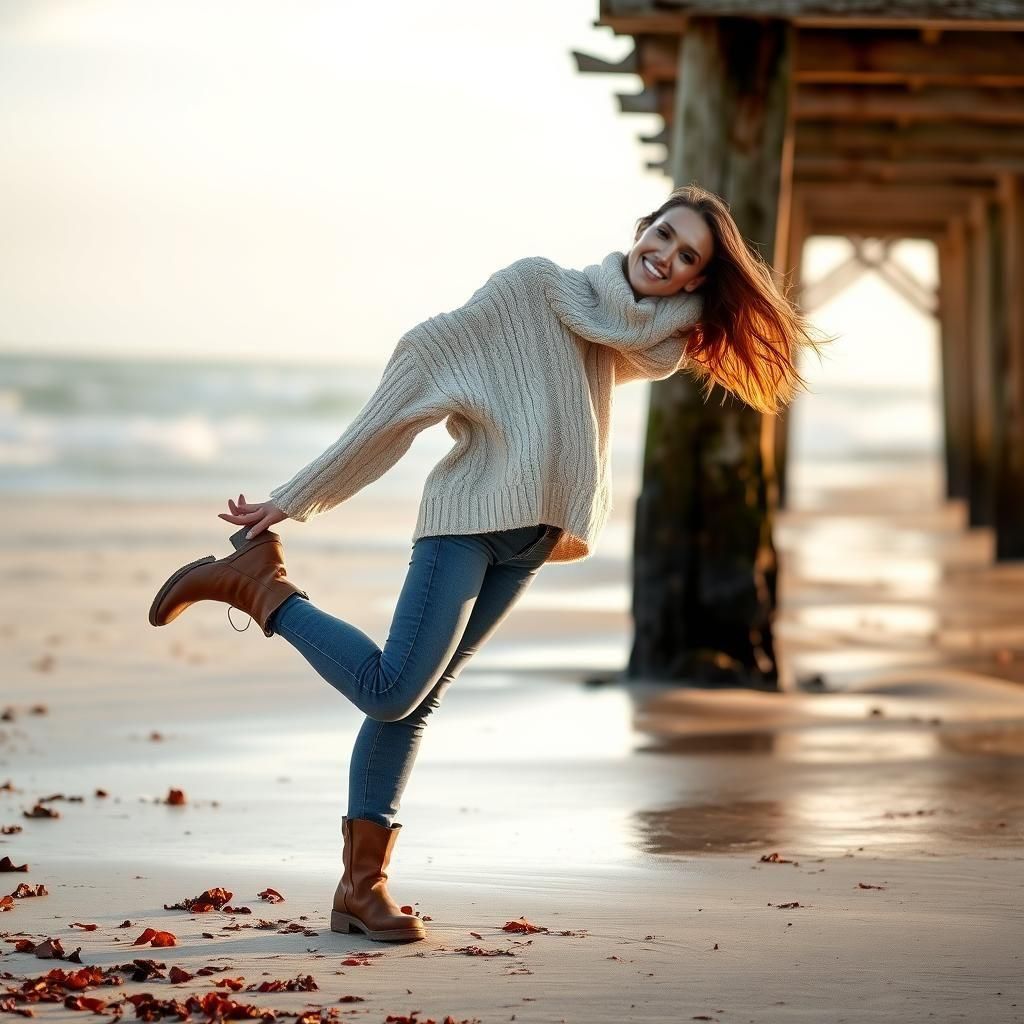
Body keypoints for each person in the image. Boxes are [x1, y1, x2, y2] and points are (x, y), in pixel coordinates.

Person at [148, 183, 818, 944]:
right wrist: (296, 497)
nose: (662, 255)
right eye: (660, 235)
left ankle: (360, 892)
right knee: (395, 689)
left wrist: (699, 314)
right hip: (467, 526)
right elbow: (423, 365)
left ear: (697, 279)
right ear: (639, 230)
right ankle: (259, 587)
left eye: (685, 255)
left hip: (530, 541)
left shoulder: (637, 340)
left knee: (416, 701)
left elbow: (653, 347)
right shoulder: (537, 288)